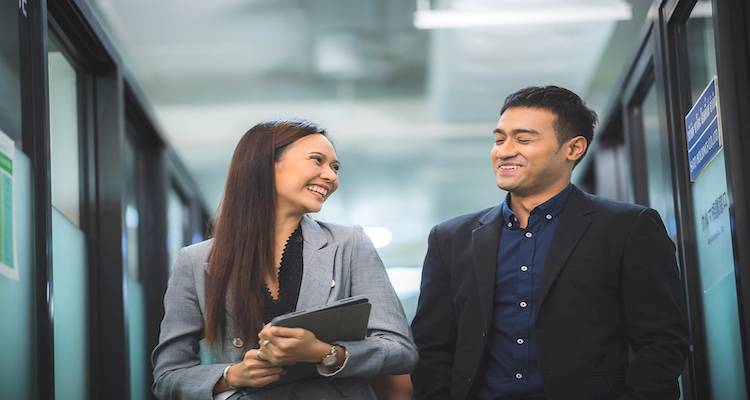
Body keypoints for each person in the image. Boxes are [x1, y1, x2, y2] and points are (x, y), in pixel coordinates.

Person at [411, 86, 689, 400]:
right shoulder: (450, 239)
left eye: (524, 139)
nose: (504, 151)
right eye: (500, 139)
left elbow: (663, 342)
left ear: (573, 148)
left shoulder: (627, 228)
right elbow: (431, 347)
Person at [152, 119, 417, 400]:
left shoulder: (350, 243)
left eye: (335, 167)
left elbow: (400, 350)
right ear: (265, 165)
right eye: (317, 161)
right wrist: (232, 375)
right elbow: (168, 376)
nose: (331, 177)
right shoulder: (195, 261)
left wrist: (325, 353)